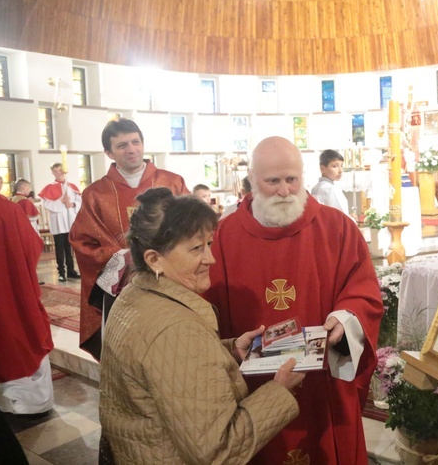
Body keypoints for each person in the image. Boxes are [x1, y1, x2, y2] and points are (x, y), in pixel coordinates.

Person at [205, 136, 383, 464]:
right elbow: (204, 310)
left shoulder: (338, 228)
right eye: (272, 181)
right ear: (252, 180)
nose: (284, 191)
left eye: (292, 179)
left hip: (323, 385)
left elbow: (364, 293)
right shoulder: (224, 236)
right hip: (253, 388)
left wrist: (344, 319)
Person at [100, 188, 303, 463]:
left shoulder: (135, 294)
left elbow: (161, 368)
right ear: (154, 259)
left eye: (209, 244)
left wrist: (228, 350)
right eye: (196, 248)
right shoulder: (176, 329)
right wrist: (279, 390)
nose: (211, 258)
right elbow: (218, 450)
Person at [69, 118, 189, 360]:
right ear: (109, 152)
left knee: (175, 349)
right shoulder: (95, 194)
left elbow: (191, 227)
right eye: (122, 145)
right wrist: (124, 259)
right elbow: (82, 241)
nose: (131, 149)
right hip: (122, 288)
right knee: (130, 355)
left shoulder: (172, 182)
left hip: (171, 280)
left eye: (135, 142)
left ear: (143, 144)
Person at [0, 161, 54, 416]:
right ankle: (26, 406)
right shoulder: (8, 210)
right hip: (9, 292)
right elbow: (32, 248)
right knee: (18, 332)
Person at [39, 163, 82, 282]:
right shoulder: (49, 187)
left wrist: (72, 204)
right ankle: (61, 272)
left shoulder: (71, 186)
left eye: (60, 170)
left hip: (70, 221)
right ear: (52, 173)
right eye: (55, 171)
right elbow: (47, 204)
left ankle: (71, 271)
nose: (59, 173)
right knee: (59, 248)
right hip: (58, 222)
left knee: (69, 248)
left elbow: (80, 201)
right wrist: (60, 201)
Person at [311, 148, 350, 215]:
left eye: (341, 166)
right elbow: (341, 216)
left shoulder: (316, 187)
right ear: (323, 169)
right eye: (335, 166)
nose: (340, 170)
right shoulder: (330, 189)